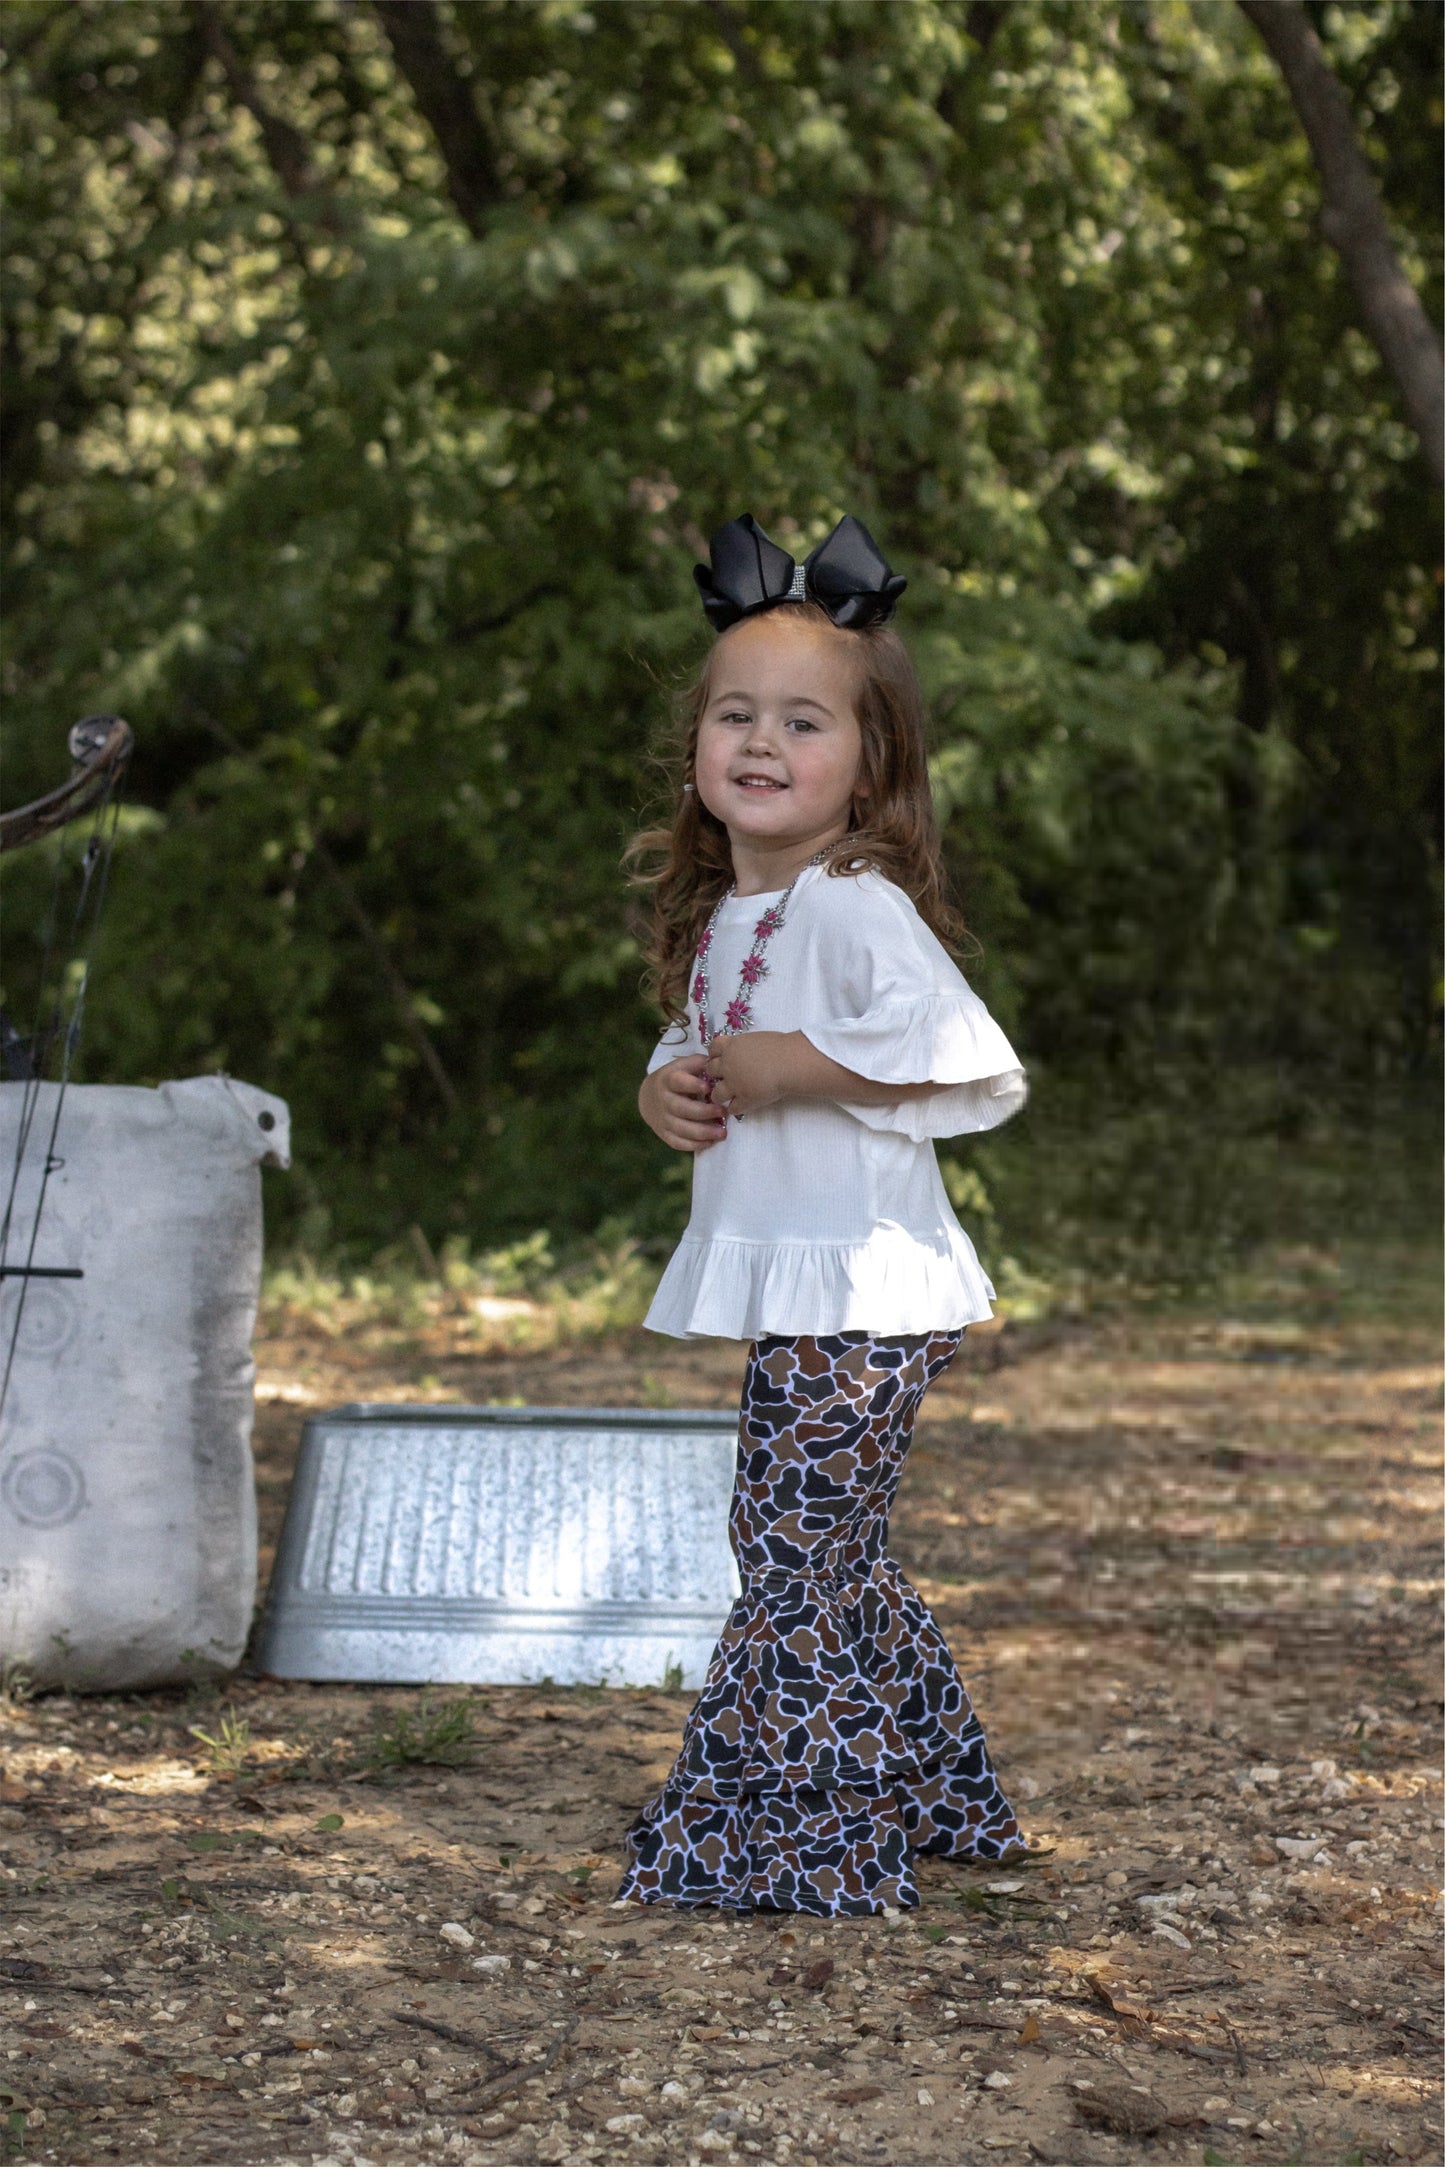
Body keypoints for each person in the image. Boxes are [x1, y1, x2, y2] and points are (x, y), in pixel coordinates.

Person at [618, 512, 1040, 1916]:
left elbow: (967, 1057)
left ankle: (810, 1838)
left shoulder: (855, 904)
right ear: (696, 743)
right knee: (819, 1557)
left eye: (803, 722)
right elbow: (703, 1042)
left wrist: (798, 1068)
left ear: (869, 766)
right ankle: (939, 1794)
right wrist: (667, 1090)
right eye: (734, 713)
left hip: (863, 1289)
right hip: (803, 1291)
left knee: (792, 1558)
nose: (760, 740)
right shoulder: (728, 915)